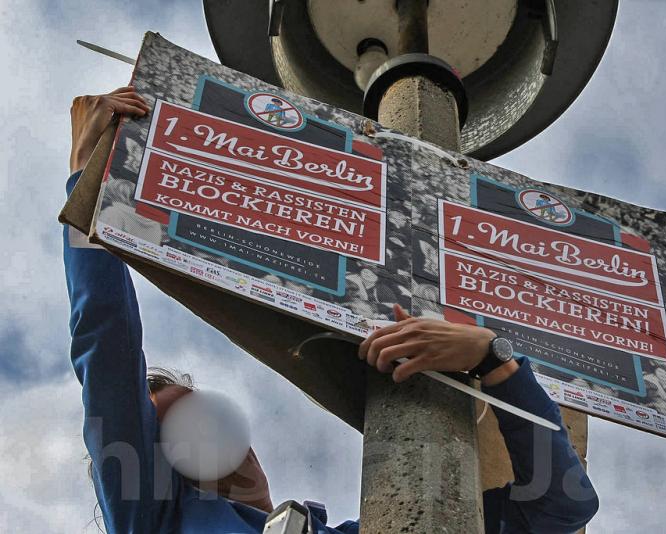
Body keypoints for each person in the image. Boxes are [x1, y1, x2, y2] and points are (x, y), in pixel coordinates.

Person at [65, 87, 599, 533]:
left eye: (203, 420)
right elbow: (104, 342)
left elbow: (560, 508)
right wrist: (85, 183)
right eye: (181, 438)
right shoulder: (154, 520)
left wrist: (496, 360)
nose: (214, 443)